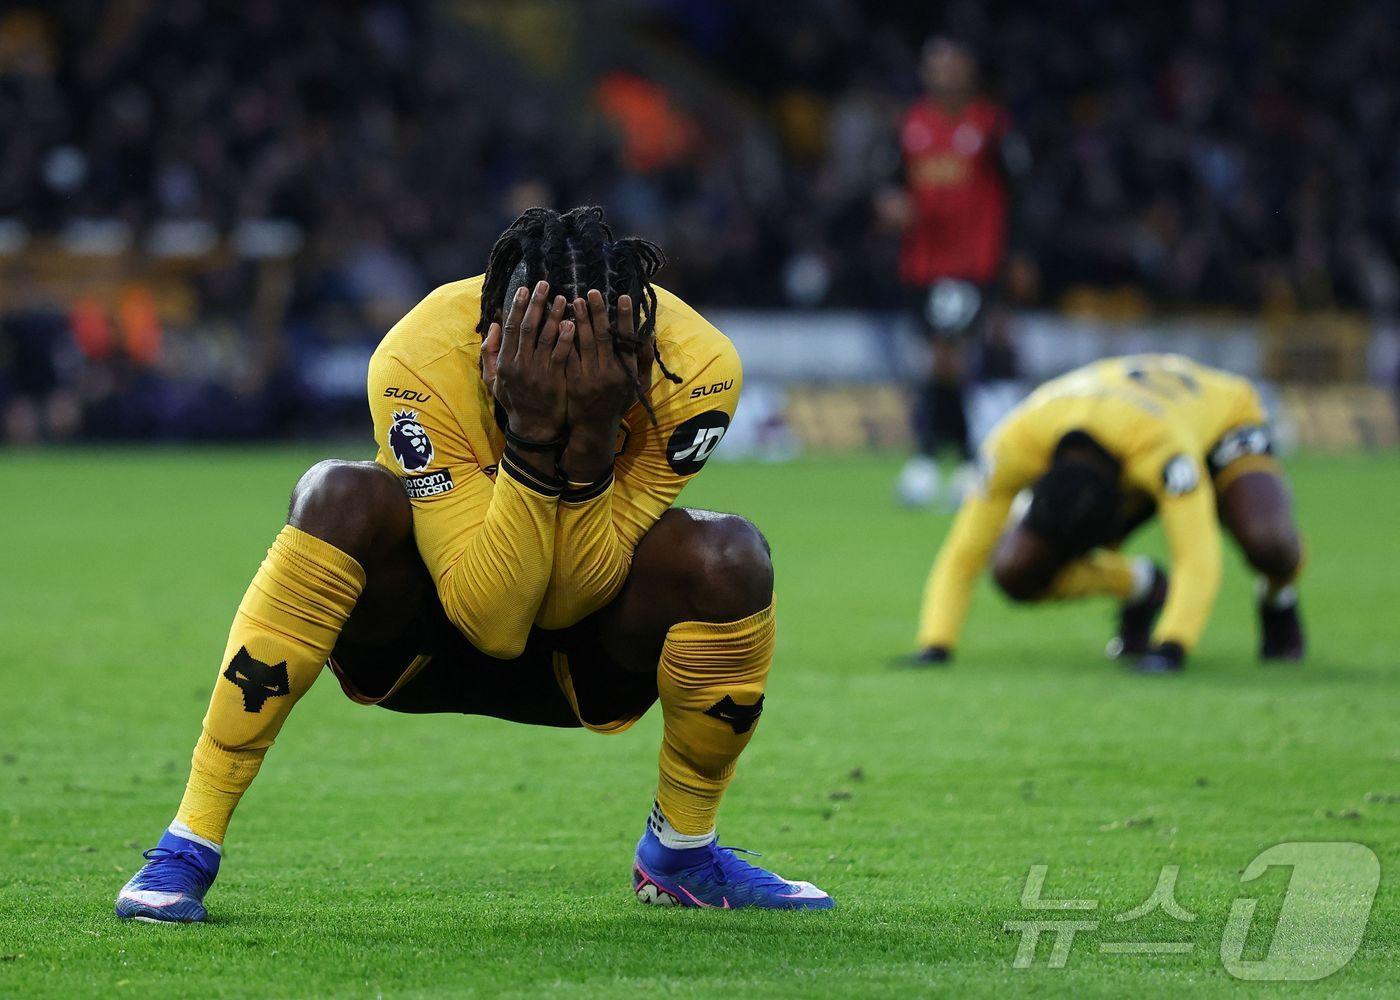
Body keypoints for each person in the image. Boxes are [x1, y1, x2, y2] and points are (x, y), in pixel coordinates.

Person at [116, 206, 833, 921]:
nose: (576, 371)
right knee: (338, 494)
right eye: (548, 352)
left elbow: (565, 602)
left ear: (640, 349)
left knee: (729, 556)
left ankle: (684, 851)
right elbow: (491, 624)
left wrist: (585, 442)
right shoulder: (419, 357)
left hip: (588, 656)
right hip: (419, 641)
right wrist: (535, 437)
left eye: (599, 356)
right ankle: (188, 842)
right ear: (492, 341)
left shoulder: (695, 371)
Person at [911, 354, 1305, 672]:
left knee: (1265, 539)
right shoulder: (1013, 446)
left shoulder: (1160, 449)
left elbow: (1196, 552)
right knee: (1017, 568)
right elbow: (964, 554)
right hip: (1113, 415)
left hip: (1218, 413)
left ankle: (1278, 596)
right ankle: (1143, 586)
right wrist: (935, 644)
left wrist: (1171, 645)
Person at [883, 37, 1025, 508]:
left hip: (970, 262)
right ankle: (962, 461)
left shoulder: (990, 125)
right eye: (934, 65)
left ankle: (939, 459)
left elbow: (1018, 192)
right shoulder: (912, 125)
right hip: (921, 262)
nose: (941, 73)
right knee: (940, 360)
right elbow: (891, 185)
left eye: (950, 64)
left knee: (949, 357)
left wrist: (1018, 257)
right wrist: (891, 205)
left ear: (969, 71)